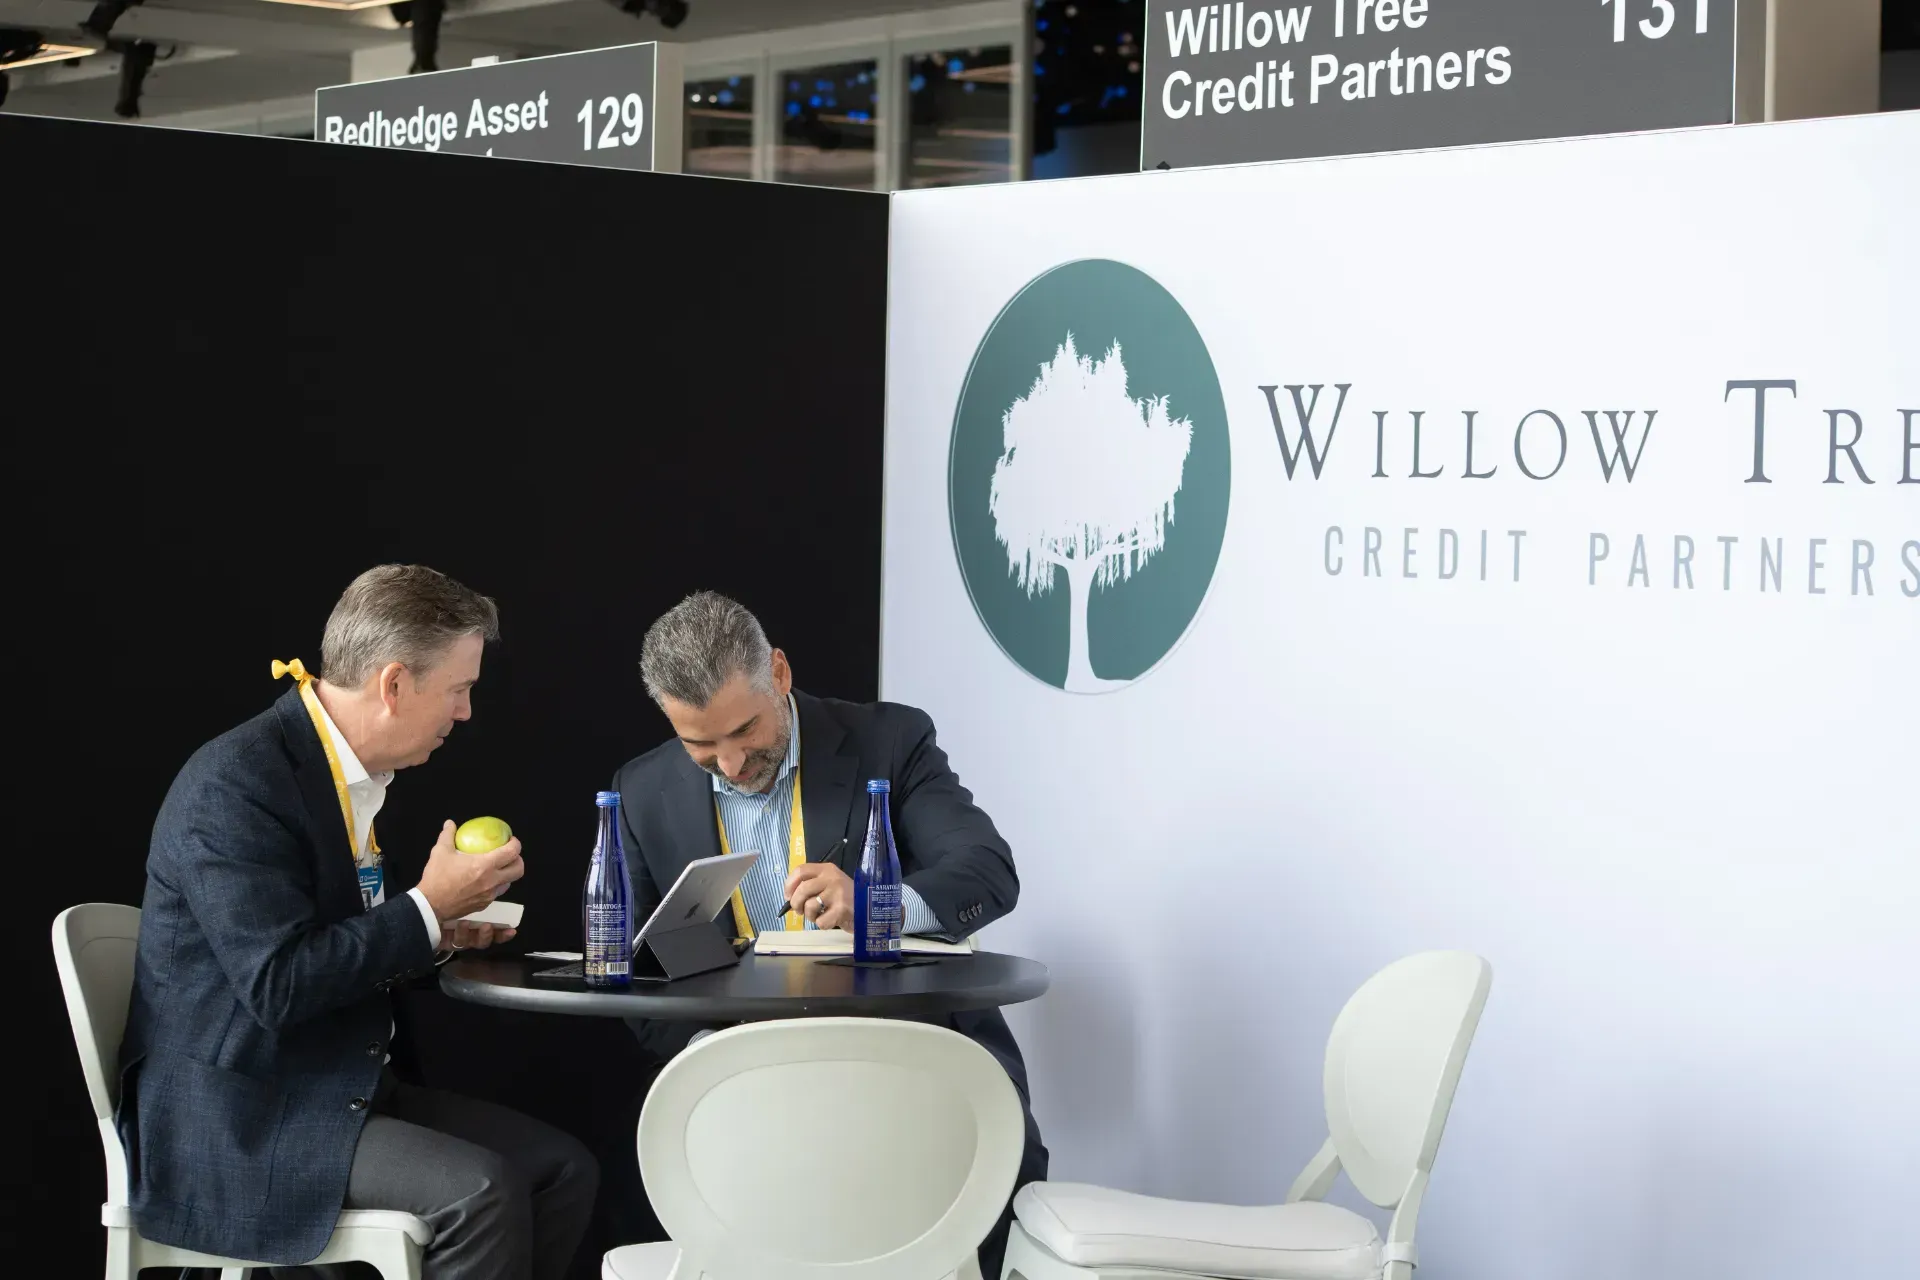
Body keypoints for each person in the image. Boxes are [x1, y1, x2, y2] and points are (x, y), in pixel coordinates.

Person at [116, 564, 598, 1280]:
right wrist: (428, 907)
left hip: (335, 1084)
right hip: (243, 1117)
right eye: (460, 689)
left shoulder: (349, 779)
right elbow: (279, 985)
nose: (467, 712)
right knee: (482, 1193)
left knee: (563, 1170)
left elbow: (343, 946)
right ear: (395, 684)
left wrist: (441, 933)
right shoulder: (236, 783)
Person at [608, 591, 1047, 1278]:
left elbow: (988, 874)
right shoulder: (640, 790)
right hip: (743, 1094)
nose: (729, 763)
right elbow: (637, 977)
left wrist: (878, 902)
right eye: (700, 744)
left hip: (915, 1076)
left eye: (745, 731)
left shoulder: (891, 742)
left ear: (778, 674)